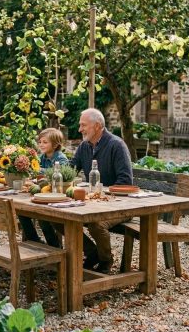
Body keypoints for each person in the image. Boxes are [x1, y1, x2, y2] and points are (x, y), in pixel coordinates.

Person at [71, 108, 133, 273]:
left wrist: (101, 195)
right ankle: (92, 253)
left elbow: (125, 181)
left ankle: (106, 260)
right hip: (93, 204)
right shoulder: (84, 146)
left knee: (96, 224)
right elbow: (70, 170)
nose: (80, 129)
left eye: (83, 125)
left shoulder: (116, 145)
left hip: (120, 205)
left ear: (97, 126)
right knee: (59, 218)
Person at [20, 128, 68, 246]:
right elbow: (36, 174)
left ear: (55, 144)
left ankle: (54, 245)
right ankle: (33, 240)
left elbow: (57, 174)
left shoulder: (61, 158)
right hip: (43, 193)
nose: (41, 144)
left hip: (57, 195)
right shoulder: (42, 157)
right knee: (21, 211)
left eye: (45, 142)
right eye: (40, 142)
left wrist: (37, 170)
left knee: (43, 218)